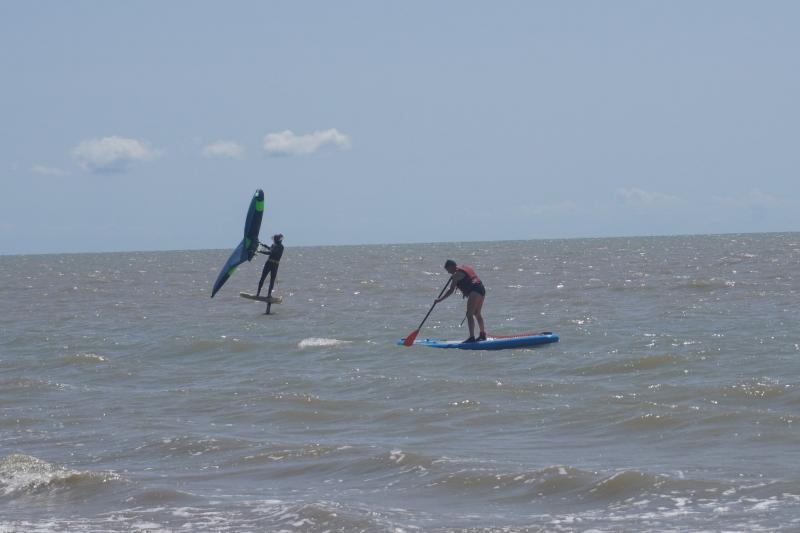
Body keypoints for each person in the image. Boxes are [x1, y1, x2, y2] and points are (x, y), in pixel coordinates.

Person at [435, 259, 487, 343]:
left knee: (469, 314)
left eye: (448, 270)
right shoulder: (464, 268)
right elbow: (468, 280)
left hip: (475, 291)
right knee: (477, 313)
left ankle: (471, 337)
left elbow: (451, 291)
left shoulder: (456, 275)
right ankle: (482, 335)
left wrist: (440, 300)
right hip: (481, 289)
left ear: (452, 266)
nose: (448, 272)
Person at [256, 234, 284, 313]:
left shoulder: (280, 247)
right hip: (269, 263)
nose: (281, 240)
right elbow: (271, 249)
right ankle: (258, 293)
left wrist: (260, 251)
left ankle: (269, 294)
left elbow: (271, 252)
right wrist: (264, 245)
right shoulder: (274, 245)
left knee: (272, 280)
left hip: (275, 265)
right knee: (262, 278)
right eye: (279, 239)